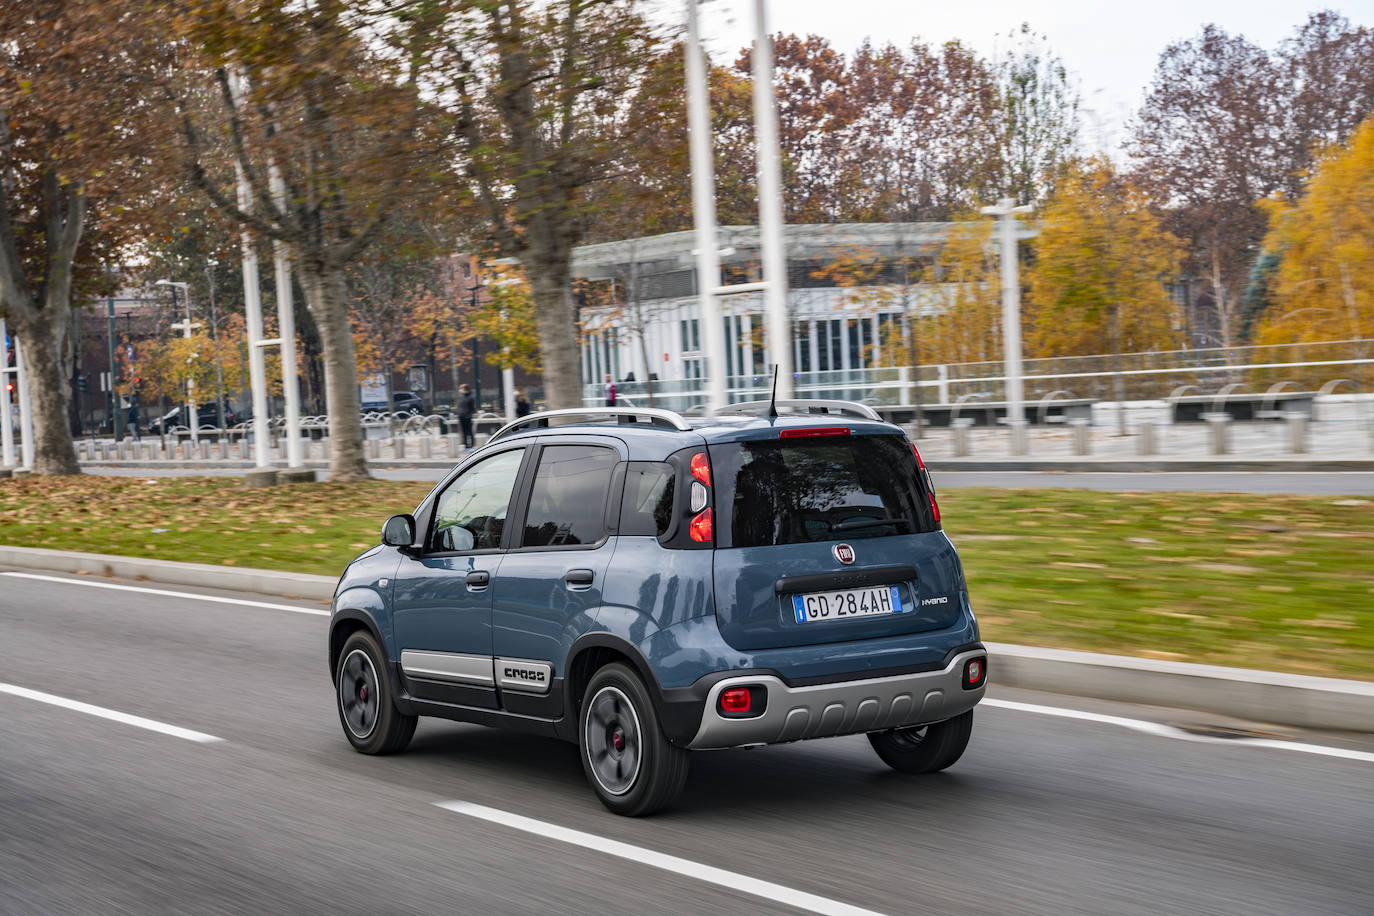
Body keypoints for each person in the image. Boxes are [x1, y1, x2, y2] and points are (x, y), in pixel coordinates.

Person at [457, 383, 476, 449]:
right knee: (464, 432)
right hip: (461, 416)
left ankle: (472, 445)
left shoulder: (471, 397)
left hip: (467, 417)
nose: (460, 390)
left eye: (461, 388)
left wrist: (468, 414)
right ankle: (466, 445)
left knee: (469, 431)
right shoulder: (463, 396)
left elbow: (472, 408)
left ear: (465, 389)